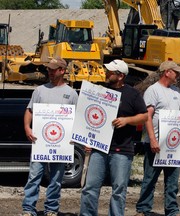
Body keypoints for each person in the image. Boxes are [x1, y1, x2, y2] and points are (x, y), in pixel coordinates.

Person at [79, 59, 148, 216]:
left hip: (122, 150)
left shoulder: (133, 94)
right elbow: (89, 117)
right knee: (90, 187)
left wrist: (127, 120)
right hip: (99, 148)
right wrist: (87, 140)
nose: (106, 73)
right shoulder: (100, 91)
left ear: (120, 76)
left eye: (110, 72)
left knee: (118, 190)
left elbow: (144, 117)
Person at [21, 57, 78, 216]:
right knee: (34, 176)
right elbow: (29, 111)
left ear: (62, 71)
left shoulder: (71, 94)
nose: (50, 72)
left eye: (53, 69)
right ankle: (28, 209)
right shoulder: (39, 90)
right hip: (40, 142)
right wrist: (27, 127)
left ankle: (51, 209)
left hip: (61, 145)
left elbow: (77, 118)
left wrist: (74, 136)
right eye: (49, 69)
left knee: (56, 178)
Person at [135, 60, 180, 216]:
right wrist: (152, 139)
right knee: (150, 179)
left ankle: (172, 210)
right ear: (167, 72)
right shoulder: (153, 91)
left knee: (172, 181)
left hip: (174, 145)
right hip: (156, 144)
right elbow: (148, 116)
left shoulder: (177, 92)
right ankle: (143, 209)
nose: (178, 74)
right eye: (176, 71)